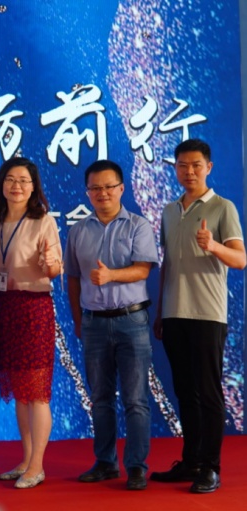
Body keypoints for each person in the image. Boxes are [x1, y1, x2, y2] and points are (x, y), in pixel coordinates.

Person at [151, 139, 245, 494]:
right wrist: (160, 311)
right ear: (175, 168)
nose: (189, 171)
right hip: (173, 314)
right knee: (185, 392)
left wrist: (213, 245)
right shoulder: (169, 211)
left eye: (196, 165)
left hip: (207, 314)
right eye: (182, 165)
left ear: (209, 167)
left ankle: (210, 467)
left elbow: (240, 259)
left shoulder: (223, 207)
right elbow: (167, 265)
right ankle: (190, 461)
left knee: (208, 392)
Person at [64, 160, 158, 491]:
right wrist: (79, 321)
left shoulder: (138, 226)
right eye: (95, 188)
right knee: (100, 398)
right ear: (87, 192)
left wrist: (111, 275)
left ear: (121, 188)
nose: (102, 193)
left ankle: (136, 466)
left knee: (135, 399)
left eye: (108, 187)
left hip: (132, 321)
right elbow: (72, 279)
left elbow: (143, 270)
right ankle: (105, 463)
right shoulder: (78, 231)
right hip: (93, 324)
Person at [0, 156, 61, 489]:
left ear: (33, 187)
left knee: (37, 391)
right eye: (11, 179)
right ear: (2, 184)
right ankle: (26, 460)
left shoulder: (43, 221)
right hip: (5, 309)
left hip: (33, 309)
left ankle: (37, 467)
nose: (17, 186)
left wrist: (49, 264)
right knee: (21, 392)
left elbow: (55, 268)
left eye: (24, 181)